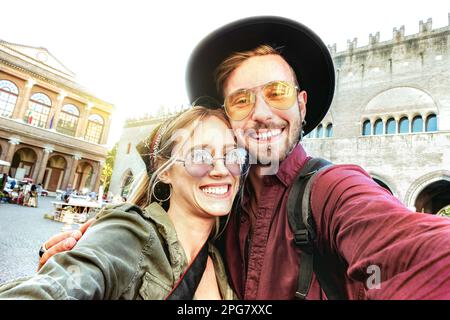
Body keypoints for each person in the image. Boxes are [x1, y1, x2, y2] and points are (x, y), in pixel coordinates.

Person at [38, 16, 450, 299]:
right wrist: (96, 234)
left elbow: (412, 250)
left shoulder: (332, 192)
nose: (262, 113)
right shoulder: (220, 203)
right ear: (227, 117)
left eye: (277, 93)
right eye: (241, 99)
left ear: (302, 105)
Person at [0, 106, 246, 299]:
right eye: (200, 155)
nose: (221, 169)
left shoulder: (223, 260)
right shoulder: (129, 231)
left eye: (232, 155)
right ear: (164, 170)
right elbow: (55, 288)